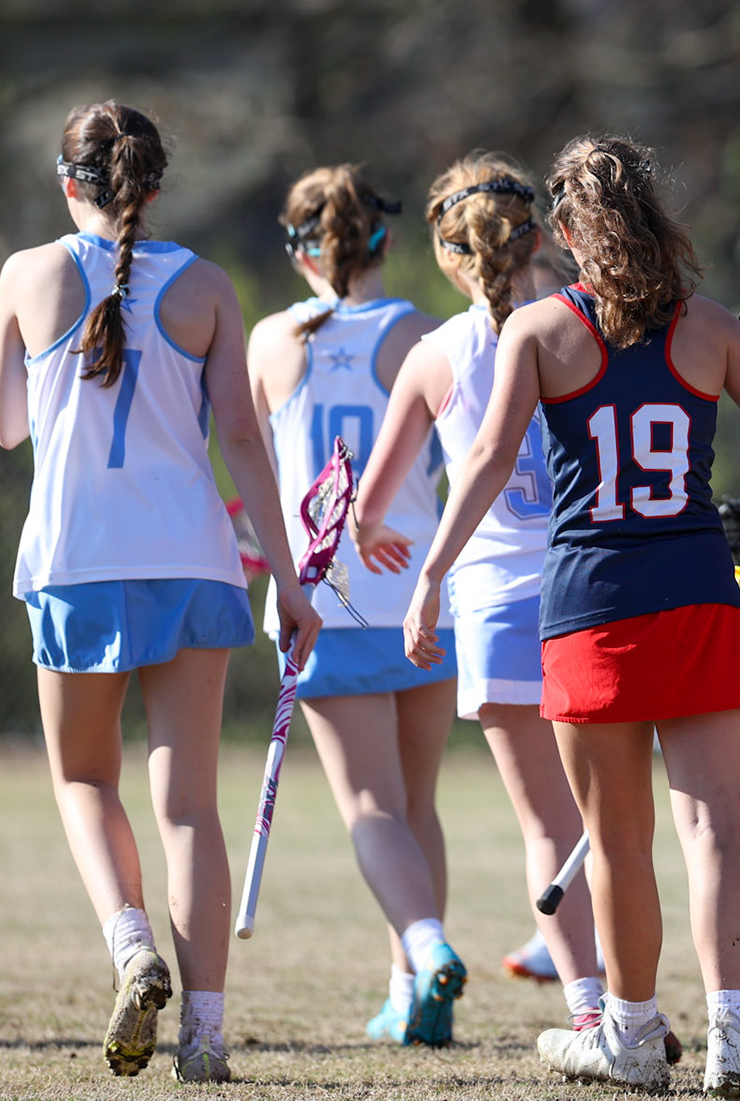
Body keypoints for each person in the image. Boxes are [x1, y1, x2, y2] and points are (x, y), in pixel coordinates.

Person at [403, 135, 740, 1098]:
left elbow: (480, 466)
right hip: (696, 597)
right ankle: (736, 1036)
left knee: (616, 843)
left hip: (591, 611)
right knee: (714, 831)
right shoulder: (708, 328)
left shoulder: (538, 334)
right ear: (654, 219)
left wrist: (432, 574)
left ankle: (634, 1035)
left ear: (564, 232)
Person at [0, 101, 322, 1083]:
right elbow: (243, 440)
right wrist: (292, 576)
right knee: (189, 810)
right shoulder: (208, 286)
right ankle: (206, 1036)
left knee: (86, 780)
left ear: (67, 184)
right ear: (157, 186)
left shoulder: (24, 273)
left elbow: (9, 426)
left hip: (74, 561)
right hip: (193, 559)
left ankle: (132, 944)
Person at [351, 153, 614, 1049]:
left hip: (499, 602)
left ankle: (589, 1006)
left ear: (446, 254)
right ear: (537, 237)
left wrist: (380, 538)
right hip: (597, 590)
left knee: (548, 824)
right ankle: (629, 1005)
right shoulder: (585, 329)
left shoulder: (436, 356)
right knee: (611, 820)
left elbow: (373, 504)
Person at [245, 164, 465, 1047]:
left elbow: (254, 466)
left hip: (324, 599)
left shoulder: (269, 340)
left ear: (298, 248)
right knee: (418, 803)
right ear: (385, 239)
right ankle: (411, 989)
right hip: (422, 593)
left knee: (371, 807)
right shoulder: (422, 332)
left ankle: (424, 949)